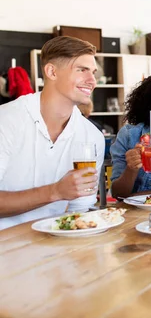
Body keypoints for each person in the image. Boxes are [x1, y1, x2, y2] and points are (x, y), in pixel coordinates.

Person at [0, 36, 104, 230]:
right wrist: (55, 191)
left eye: (94, 72)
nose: (92, 81)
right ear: (52, 71)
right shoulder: (5, 121)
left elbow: (79, 210)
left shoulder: (92, 136)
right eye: (82, 70)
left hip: (57, 246)